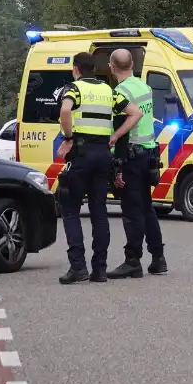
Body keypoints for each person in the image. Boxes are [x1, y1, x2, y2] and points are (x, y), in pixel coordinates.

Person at [56, 52, 142, 284]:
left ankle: (78, 267)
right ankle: (100, 269)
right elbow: (135, 113)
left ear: (76, 70)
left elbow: (65, 111)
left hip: (82, 154)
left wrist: (68, 137)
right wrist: (115, 135)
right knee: (99, 211)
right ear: (94, 68)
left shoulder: (73, 88)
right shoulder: (108, 91)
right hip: (103, 155)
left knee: (71, 209)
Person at [106, 49, 168, 279]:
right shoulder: (145, 87)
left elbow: (123, 132)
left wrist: (117, 165)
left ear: (112, 67)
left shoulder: (119, 93)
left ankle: (133, 260)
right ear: (132, 64)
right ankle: (158, 257)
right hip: (148, 155)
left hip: (131, 156)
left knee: (132, 212)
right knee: (146, 208)